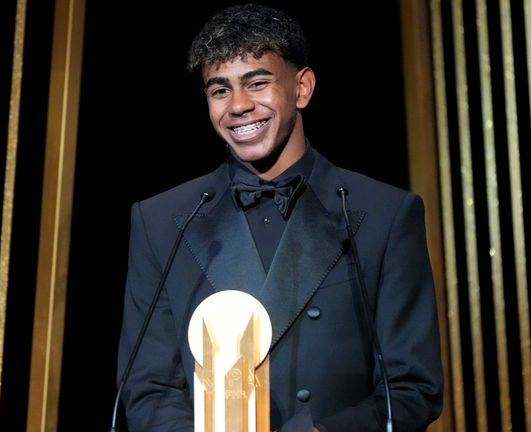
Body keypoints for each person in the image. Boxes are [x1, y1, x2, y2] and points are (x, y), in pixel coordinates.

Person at [116, 3, 443, 431]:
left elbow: (412, 387)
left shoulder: (382, 213)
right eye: (220, 90)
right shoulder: (160, 221)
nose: (238, 106)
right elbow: (147, 387)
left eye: (257, 83)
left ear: (302, 87)